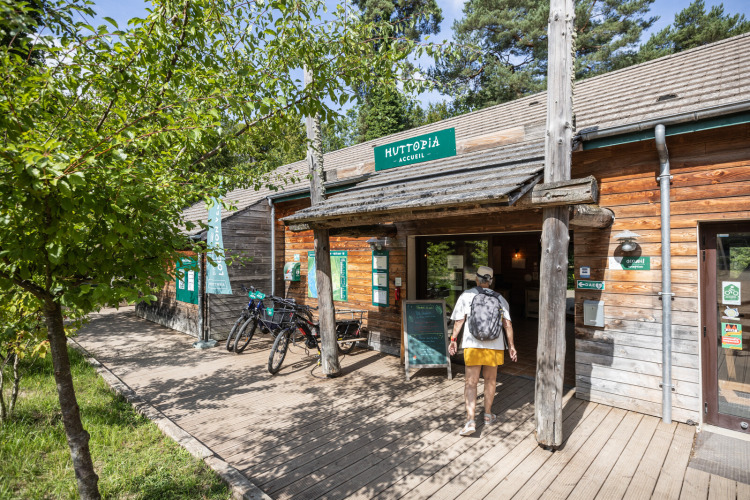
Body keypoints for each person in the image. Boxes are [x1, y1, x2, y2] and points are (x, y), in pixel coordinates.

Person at [448, 266, 517, 436]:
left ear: (476, 279)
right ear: (491, 281)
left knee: (470, 382)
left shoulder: (467, 295)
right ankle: (487, 415)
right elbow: (507, 324)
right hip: (494, 346)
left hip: (473, 343)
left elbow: (459, 321)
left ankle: (470, 421)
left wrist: (453, 340)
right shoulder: (500, 298)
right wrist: (512, 346)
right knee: (490, 380)